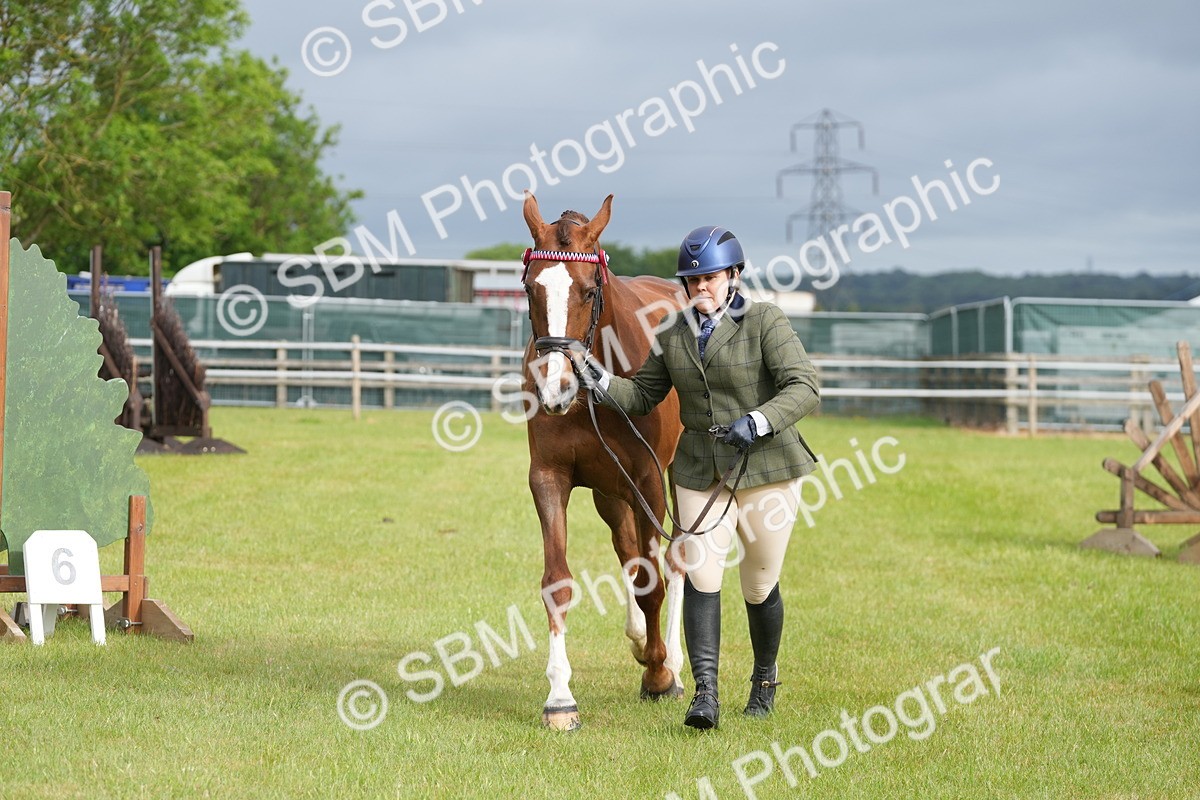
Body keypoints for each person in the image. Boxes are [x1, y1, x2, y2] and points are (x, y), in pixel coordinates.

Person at [574, 226, 820, 730]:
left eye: (709, 277)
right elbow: (642, 396)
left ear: (732, 275)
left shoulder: (765, 320)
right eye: (691, 280)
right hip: (698, 469)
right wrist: (597, 378)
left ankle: (764, 679)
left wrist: (758, 421)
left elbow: (805, 386)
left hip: (766, 465)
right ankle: (705, 694)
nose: (699, 288)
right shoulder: (672, 333)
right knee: (703, 575)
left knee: (758, 582)